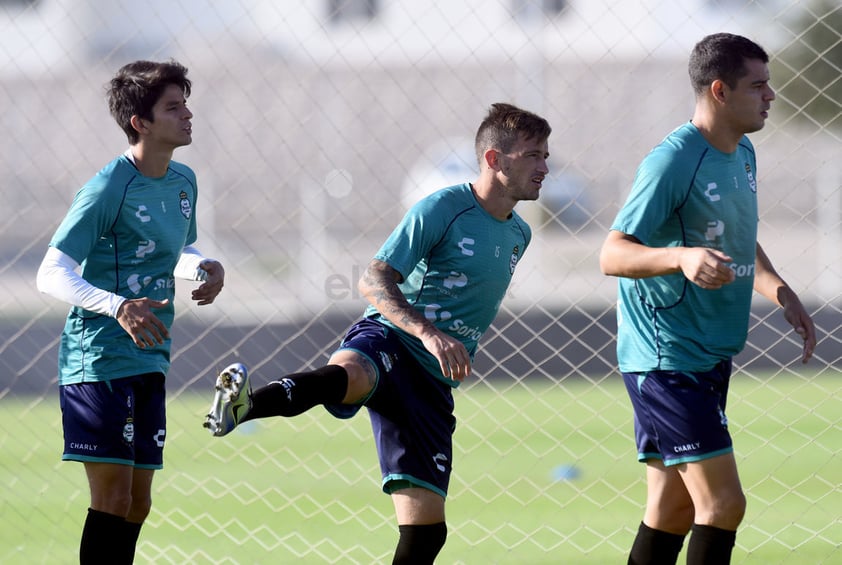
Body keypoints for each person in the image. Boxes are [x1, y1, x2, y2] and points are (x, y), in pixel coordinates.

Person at [204, 102, 551, 564]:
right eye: (533, 155)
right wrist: (428, 333)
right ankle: (245, 406)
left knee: (427, 534)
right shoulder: (443, 208)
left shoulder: (519, 234)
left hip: (431, 383)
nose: (545, 167)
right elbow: (373, 279)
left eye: (546, 155)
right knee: (352, 375)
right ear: (494, 159)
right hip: (393, 338)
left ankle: (250, 405)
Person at [599, 33, 816, 565]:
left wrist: (778, 288)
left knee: (670, 512)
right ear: (719, 90)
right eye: (757, 86)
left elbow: (735, 234)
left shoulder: (742, 151)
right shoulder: (672, 162)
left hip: (706, 353)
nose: (770, 97)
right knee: (723, 505)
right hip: (666, 358)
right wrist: (680, 258)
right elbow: (613, 253)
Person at [36, 60, 225, 564]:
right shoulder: (105, 189)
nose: (188, 115)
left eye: (185, 103)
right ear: (140, 123)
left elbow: (175, 253)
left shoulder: (183, 181)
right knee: (113, 499)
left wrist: (204, 265)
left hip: (150, 357)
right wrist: (117, 306)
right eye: (173, 107)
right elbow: (51, 273)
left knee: (138, 504)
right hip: (97, 361)